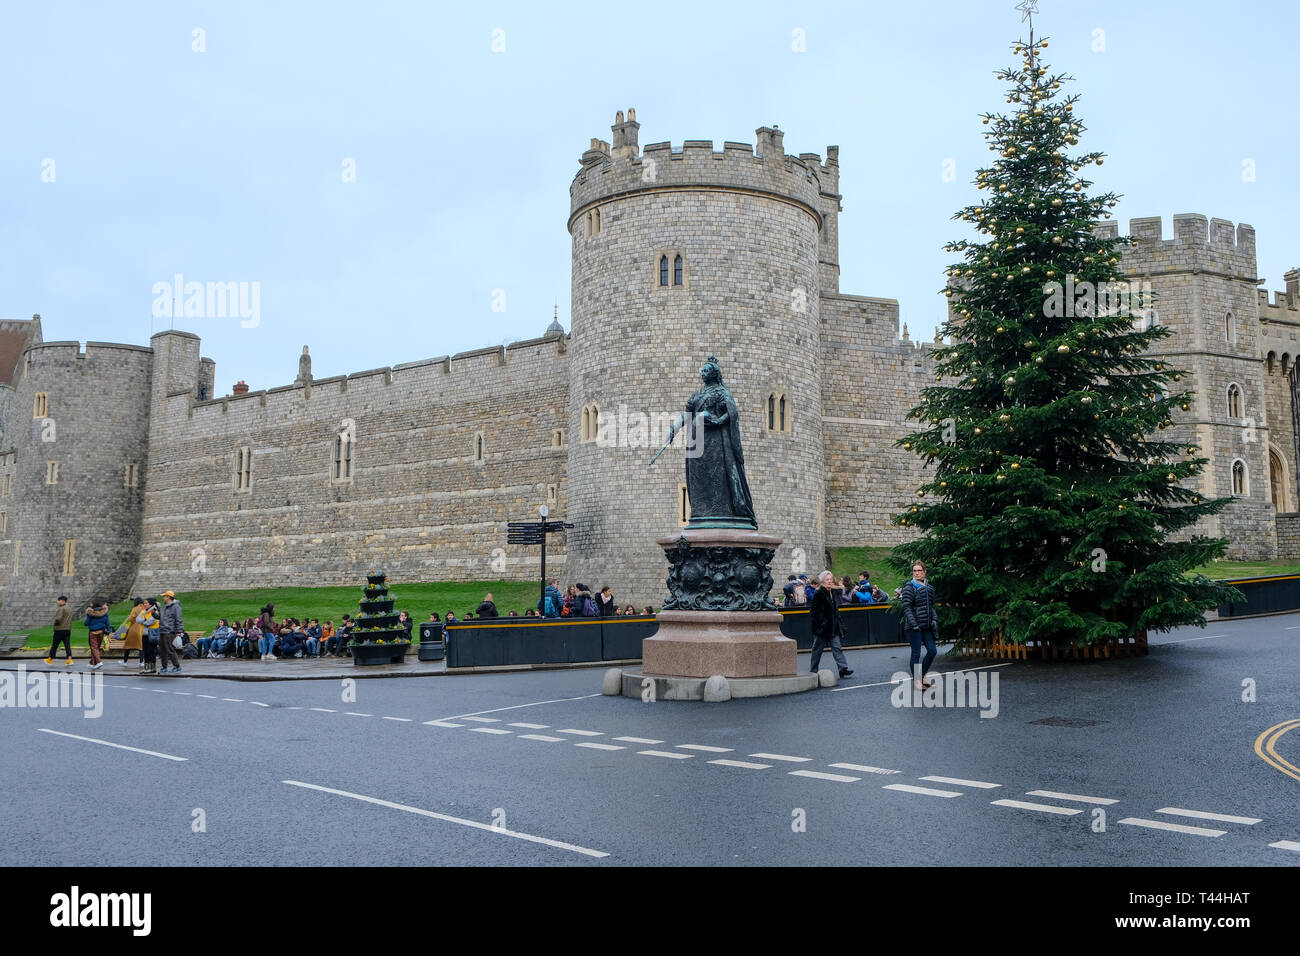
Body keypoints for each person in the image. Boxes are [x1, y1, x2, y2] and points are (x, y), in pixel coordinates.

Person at [900, 559, 939, 691]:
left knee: (932, 651)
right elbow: (906, 607)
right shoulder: (909, 587)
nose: (916, 573)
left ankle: (922, 676)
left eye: (919, 571)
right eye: (915, 571)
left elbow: (931, 606)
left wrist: (934, 619)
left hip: (927, 626)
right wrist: (913, 624)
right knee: (916, 654)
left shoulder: (929, 588)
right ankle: (917, 681)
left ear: (924, 572)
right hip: (914, 627)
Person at [808, 571, 853, 679]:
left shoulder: (833, 592)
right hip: (822, 628)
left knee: (837, 647)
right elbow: (813, 611)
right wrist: (822, 624)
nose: (830, 581)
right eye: (827, 579)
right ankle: (813, 670)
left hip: (833, 626)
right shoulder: (819, 593)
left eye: (831, 579)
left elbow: (842, 589)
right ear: (823, 581)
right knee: (817, 650)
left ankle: (843, 668)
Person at [156, 590, 183, 674]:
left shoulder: (176, 607)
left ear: (168, 597)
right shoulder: (164, 606)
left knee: (170, 649)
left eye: (164, 596)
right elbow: (160, 617)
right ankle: (164, 667)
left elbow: (179, 619)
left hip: (170, 631)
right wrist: (154, 613)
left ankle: (177, 666)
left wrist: (179, 631)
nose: (163, 598)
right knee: (162, 650)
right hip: (162, 630)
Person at [82, 598, 112, 670]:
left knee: (94, 647)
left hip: (93, 632)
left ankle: (98, 661)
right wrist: (108, 629)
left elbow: (86, 623)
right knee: (96, 647)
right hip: (101, 631)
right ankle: (92, 663)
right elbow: (107, 623)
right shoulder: (104, 613)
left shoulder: (91, 613)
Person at [46, 596, 75, 666]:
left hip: (60, 629)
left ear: (62, 601)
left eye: (58, 600)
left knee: (55, 645)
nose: (57, 602)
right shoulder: (70, 609)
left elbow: (58, 619)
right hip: (67, 629)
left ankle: (50, 659)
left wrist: (55, 623)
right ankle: (69, 659)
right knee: (67, 645)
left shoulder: (61, 609)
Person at [120, 597, 147, 666]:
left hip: (134, 628)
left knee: (128, 646)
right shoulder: (144, 608)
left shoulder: (135, 609)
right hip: (143, 628)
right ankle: (141, 662)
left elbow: (131, 618)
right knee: (141, 646)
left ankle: (125, 661)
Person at [140, 599, 162, 673]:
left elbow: (149, 622)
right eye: (144, 603)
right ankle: (146, 668)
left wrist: (144, 621)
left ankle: (152, 668)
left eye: (146, 603)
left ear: (151, 605)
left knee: (151, 651)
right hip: (144, 634)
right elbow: (139, 620)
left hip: (152, 634)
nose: (145, 604)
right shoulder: (144, 612)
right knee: (145, 652)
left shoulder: (155, 612)